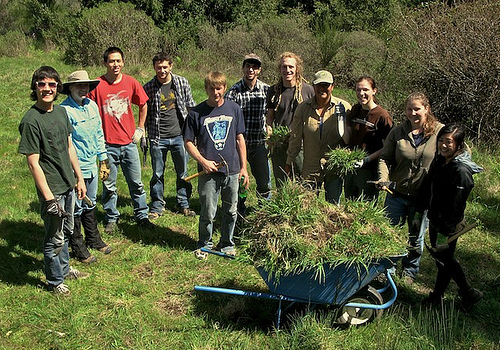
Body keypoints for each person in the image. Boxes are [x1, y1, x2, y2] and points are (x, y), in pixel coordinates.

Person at [18, 66, 88, 295]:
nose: (46, 89)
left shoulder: (60, 113)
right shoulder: (31, 120)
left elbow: (70, 147)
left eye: (51, 84)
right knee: (54, 238)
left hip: (68, 184)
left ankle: (65, 269)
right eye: (41, 84)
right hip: (53, 189)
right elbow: (33, 163)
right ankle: (55, 281)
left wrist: (79, 178)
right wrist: (49, 198)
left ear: (58, 88)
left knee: (67, 232)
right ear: (35, 87)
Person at [377, 92, 443, 284]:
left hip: (421, 198)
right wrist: (383, 178)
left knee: (415, 237)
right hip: (396, 193)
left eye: (417, 109)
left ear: (426, 109)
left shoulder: (439, 132)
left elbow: (457, 151)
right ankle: (385, 270)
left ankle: (409, 272)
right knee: (388, 233)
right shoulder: (398, 132)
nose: (413, 113)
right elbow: (385, 158)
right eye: (409, 109)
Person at [183, 72, 249, 259]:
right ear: (206, 89)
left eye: (218, 88)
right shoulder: (196, 113)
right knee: (208, 211)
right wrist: (203, 161)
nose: (215, 92)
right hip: (208, 172)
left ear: (224, 88)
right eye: (211, 88)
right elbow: (188, 141)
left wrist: (244, 167)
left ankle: (227, 243)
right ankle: (205, 244)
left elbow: (240, 139)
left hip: (232, 170)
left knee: (231, 210)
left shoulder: (234, 109)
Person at [88, 46, 154, 233]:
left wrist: (140, 128)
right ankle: (111, 218)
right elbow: (88, 109)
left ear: (123, 62)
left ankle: (141, 215)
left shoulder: (131, 82)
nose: (115, 64)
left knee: (136, 183)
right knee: (109, 185)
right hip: (106, 146)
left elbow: (143, 103)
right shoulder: (97, 85)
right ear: (105, 63)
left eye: (118, 61)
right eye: (111, 61)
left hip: (129, 144)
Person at [422, 123, 483, 311]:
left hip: (448, 224)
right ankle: (455, 294)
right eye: (441, 140)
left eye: (448, 142)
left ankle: (465, 293)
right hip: (436, 218)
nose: (443, 145)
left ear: (458, 144)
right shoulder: (442, 161)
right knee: (443, 259)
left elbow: (456, 206)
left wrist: (445, 229)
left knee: (444, 259)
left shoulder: (461, 171)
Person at [60, 70, 112, 264]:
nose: (84, 89)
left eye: (86, 86)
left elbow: (98, 133)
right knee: (75, 206)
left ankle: (94, 239)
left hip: (92, 163)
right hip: (76, 166)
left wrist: (103, 158)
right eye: (79, 86)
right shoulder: (64, 111)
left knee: (90, 202)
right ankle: (78, 246)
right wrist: (74, 171)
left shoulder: (92, 106)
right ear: (70, 88)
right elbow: (67, 143)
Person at [143, 52, 196, 219]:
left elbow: (190, 107)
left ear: (171, 66)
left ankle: (183, 203)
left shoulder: (182, 82)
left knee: (183, 172)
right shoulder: (149, 87)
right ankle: (157, 205)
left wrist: (195, 131)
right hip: (157, 136)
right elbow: (144, 114)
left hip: (180, 135)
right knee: (157, 173)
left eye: (165, 67)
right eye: (159, 67)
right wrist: (143, 136)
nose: (162, 70)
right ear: (154, 68)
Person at [286, 70, 351, 203]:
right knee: (307, 207)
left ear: (332, 86)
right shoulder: (303, 108)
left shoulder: (343, 107)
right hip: (310, 167)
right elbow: (295, 138)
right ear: (313, 86)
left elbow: (349, 139)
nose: (322, 89)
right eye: (319, 85)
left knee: (332, 207)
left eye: (326, 85)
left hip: (333, 168)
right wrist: (289, 161)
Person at [225, 53, 271, 216]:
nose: (250, 69)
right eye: (248, 66)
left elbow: (272, 113)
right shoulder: (234, 92)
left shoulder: (266, 90)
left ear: (259, 70)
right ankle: (239, 210)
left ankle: (264, 211)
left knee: (264, 183)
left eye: (254, 67)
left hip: (259, 143)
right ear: (243, 68)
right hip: (239, 146)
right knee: (239, 182)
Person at [266, 52, 314, 187]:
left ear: (297, 68)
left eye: (291, 67)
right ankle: (283, 207)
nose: (287, 70)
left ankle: (302, 207)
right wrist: (269, 131)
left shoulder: (308, 91)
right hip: (280, 145)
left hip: (301, 146)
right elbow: (270, 117)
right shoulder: (273, 91)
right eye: (284, 67)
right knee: (282, 182)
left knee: (302, 182)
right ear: (279, 69)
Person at [344, 76, 393, 201]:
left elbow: (388, 147)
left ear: (374, 91)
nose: (361, 93)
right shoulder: (355, 110)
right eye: (358, 90)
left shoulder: (382, 116)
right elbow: (348, 136)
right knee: (349, 206)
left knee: (365, 208)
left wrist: (366, 160)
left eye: (365, 90)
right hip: (351, 167)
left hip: (368, 170)